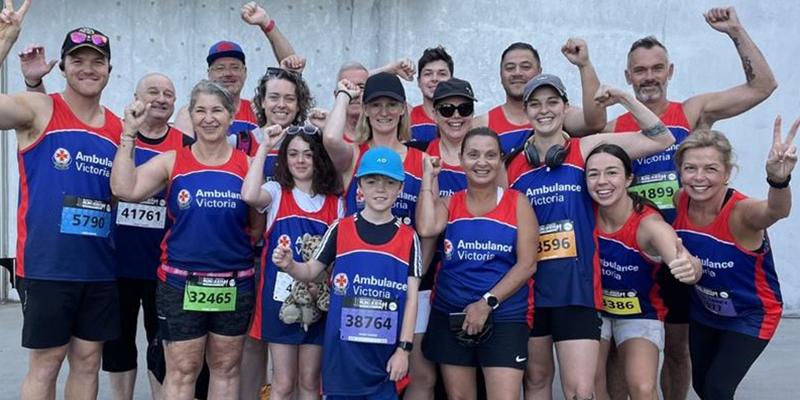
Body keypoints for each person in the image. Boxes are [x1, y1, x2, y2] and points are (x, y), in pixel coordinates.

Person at [601, 9, 778, 400]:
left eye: (657, 68)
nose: (649, 76)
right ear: (628, 77)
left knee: (679, 348)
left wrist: (735, 31)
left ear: (670, 71)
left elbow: (763, 86)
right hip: (630, 249)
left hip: (681, 250)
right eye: (640, 70)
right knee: (620, 345)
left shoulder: (693, 112)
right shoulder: (614, 128)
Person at [505, 75, 675, 400]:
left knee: (581, 390)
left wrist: (625, 98)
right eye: (536, 104)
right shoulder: (513, 166)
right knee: (537, 380)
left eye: (552, 102)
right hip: (530, 291)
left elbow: (661, 138)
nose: (544, 111)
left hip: (577, 291)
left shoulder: (585, 148)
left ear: (565, 107)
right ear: (526, 110)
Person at [0, 1, 121, 396]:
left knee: (88, 364)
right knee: (47, 365)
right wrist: (4, 40)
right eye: (78, 60)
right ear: (64, 66)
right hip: (46, 266)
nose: (88, 68)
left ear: (109, 69)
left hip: (99, 269)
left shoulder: (120, 128)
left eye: (97, 61)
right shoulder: (40, 108)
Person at [111, 80, 259, 400]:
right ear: (190, 116)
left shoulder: (247, 166)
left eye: (217, 110)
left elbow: (256, 228)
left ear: (231, 116)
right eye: (200, 110)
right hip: (181, 285)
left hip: (233, 284)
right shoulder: (172, 160)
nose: (208, 118)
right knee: (181, 369)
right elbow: (125, 189)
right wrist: (128, 135)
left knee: (226, 367)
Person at [272, 147, 422, 399]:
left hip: (385, 363)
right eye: (372, 181)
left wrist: (404, 350)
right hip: (341, 359)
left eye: (389, 182)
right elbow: (310, 271)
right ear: (360, 186)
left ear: (401, 188)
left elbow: (412, 298)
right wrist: (290, 266)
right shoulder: (340, 229)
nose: (381, 189)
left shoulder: (409, 238)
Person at [671, 124, 795, 400]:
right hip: (704, 312)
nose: (699, 177)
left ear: (728, 173)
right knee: (702, 386)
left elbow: (777, 210)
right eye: (690, 168)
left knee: (717, 389)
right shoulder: (680, 199)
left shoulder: (741, 212)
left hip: (751, 314)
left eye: (711, 169)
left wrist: (778, 181)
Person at [415, 127, 537, 400]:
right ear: (460, 159)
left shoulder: (518, 203)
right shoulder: (449, 202)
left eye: (490, 155)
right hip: (451, 312)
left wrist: (486, 303)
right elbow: (425, 227)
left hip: (504, 314)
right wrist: (428, 177)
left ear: (500, 160)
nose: (482, 162)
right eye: (473, 155)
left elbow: (527, 265)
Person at [583, 144, 701, 400]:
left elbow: (682, 257)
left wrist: (691, 268)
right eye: (593, 174)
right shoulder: (583, 213)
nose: (602, 181)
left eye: (611, 172)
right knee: (590, 385)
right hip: (593, 308)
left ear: (628, 178)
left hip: (639, 311)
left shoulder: (649, 224)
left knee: (643, 388)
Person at [101, 73, 193, 400]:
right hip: (116, 264)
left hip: (165, 271)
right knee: (118, 347)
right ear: (136, 97)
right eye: (152, 92)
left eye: (168, 94)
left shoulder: (186, 146)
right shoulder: (117, 137)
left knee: (163, 349)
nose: (161, 98)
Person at [241, 124, 344, 400]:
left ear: (318, 158)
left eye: (308, 154)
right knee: (283, 381)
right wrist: (264, 146)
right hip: (280, 301)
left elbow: (337, 258)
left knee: (310, 381)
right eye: (293, 154)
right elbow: (249, 195)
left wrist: (319, 285)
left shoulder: (335, 203)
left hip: (318, 300)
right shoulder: (275, 192)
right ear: (284, 159)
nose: (300, 160)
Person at [173, 2, 297, 157]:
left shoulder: (257, 109)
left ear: (245, 72)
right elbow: (182, 159)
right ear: (209, 74)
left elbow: (292, 73)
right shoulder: (190, 112)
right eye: (220, 68)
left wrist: (266, 23)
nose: (228, 73)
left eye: (235, 67)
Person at [474, 38, 606, 155]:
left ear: (539, 73)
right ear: (501, 75)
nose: (517, 73)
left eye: (526, 67)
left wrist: (584, 65)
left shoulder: (559, 114)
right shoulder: (482, 124)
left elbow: (595, 122)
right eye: (510, 68)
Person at [323, 72, 425, 224]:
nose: (384, 112)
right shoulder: (354, 154)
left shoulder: (422, 160)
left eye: (391, 104)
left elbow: (426, 227)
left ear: (403, 108)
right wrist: (343, 95)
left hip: (403, 246)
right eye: (376, 105)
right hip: (355, 246)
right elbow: (330, 138)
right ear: (365, 109)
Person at [409, 46, 454, 142]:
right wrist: (392, 69)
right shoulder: (406, 117)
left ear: (452, 81)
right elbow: (370, 87)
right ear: (418, 81)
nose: (434, 79)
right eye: (428, 74)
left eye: (442, 74)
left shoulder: (461, 120)